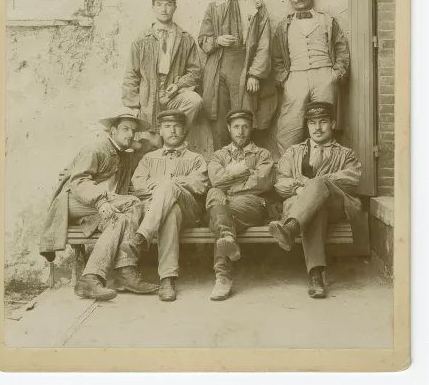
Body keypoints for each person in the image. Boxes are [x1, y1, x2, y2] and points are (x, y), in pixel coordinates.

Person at [39, 111, 159, 301]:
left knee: (118, 219)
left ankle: (91, 278)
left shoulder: (124, 154)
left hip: (98, 208)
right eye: (125, 129)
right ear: (112, 131)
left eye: (133, 131)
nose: (130, 134)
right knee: (134, 202)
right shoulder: (96, 148)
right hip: (75, 202)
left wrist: (135, 144)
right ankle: (124, 270)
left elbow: (153, 146)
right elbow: (79, 181)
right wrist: (100, 201)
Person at [268, 102, 363, 299]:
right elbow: (279, 182)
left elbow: (352, 179)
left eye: (323, 122)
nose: (317, 128)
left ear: (333, 123)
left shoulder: (345, 154)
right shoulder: (293, 152)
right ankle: (316, 276)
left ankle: (291, 229)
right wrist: (300, 188)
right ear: (307, 126)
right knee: (316, 209)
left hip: (337, 206)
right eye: (312, 123)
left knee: (319, 185)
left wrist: (318, 185)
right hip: (306, 208)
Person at [198, 0, 277, 150]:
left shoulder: (255, 4)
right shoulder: (213, 7)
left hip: (245, 64)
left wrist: (255, 74)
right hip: (218, 66)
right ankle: (221, 168)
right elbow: (203, 39)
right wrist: (217, 41)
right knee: (219, 117)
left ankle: (248, 169)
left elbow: (264, 42)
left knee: (245, 116)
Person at [126, 110, 209, 302]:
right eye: (167, 127)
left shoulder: (195, 158)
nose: (172, 131)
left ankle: (141, 236)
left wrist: (171, 183)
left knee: (170, 186)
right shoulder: (149, 158)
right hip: (160, 211)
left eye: (177, 126)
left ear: (184, 130)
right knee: (171, 211)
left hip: (190, 212)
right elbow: (138, 185)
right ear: (160, 131)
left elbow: (200, 186)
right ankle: (167, 280)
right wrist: (165, 186)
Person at [272, 0, 350, 155]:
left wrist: (336, 74)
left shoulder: (328, 21)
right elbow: (276, 56)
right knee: (289, 127)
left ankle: (324, 170)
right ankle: (289, 173)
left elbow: (341, 49)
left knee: (323, 125)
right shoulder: (283, 26)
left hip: (324, 75)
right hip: (295, 77)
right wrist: (284, 80)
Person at [206, 109, 275, 301]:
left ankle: (222, 277)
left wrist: (231, 176)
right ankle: (223, 271)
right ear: (229, 129)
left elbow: (262, 182)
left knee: (218, 210)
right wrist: (244, 171)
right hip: (224, 205)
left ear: (251, 128)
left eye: (245, 126)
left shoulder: (262, 154)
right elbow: (215, 181)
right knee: (214, 194)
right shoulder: (219, 155)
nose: (241, 131)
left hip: (251, 204)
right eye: (236, 127)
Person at [122, 0, 203, 148]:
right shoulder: (141, 40)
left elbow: (195, 72)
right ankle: (162, 146)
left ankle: (174, 140)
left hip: (173, 94)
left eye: (168, 4)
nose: (164, 9)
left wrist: (178, 85)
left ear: (175, 7)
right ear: (153, 8)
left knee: (195, 101)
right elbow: (131, 74)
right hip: (149, 96)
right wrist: (133, 105)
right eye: (159, 5)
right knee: (151, 146)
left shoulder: (185, 39)